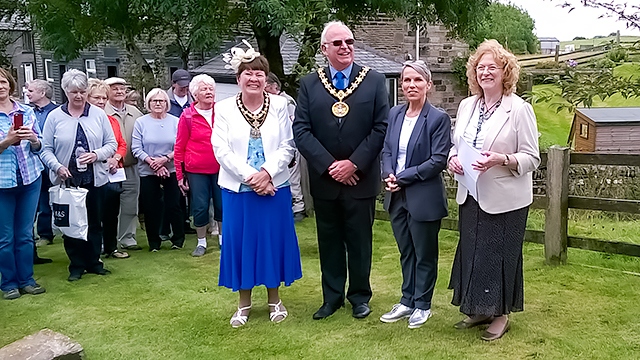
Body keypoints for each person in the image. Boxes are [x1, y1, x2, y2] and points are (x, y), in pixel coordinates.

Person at [293, 20, 389, 320]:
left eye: (349, 41)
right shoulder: (310, 83)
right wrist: (330, 165)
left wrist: (353, 164)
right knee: (330, 241)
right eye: (337, 43)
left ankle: (360, 297)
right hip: (325, 180)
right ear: (325, 49)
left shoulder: (374, 80)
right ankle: (331, 298)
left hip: (360, 178)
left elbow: (380, 127)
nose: (345, 47)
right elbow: (302, 130)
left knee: (360, 242)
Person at [447, 39, 540, 341]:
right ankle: (481, 309)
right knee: (474, 254)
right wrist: (452, 160)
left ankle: (501, 315)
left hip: (506, 199)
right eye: (480, 67)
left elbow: (532, 157)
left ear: (505, 72)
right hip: (470, 193)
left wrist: (504, 159)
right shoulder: (466, 105)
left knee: (499, 257)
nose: (485, 72)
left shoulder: (519, 109)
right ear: (474, 73)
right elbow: (455, 146)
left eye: (492, 67)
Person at [212, 45, 302, 328]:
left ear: (266, 78)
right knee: (242, 245)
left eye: (259, 73)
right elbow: (221, 150)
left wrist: (267, 173)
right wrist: (253, 177)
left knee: (272, 243)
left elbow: (288, 145)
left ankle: (275, 299)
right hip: (239, 190)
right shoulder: (223, 108)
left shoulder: (279, 105)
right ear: (239, 78)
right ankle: (244, 303)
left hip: (275, 187)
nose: (254, 78)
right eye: (248, 73)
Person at [379, 61, 451, 329]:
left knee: (424, 253)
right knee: (406, 251)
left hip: (423, 197)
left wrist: (402, 177)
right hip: (396, 196)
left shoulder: (438, 119)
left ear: (428, 85)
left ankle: (423, 304)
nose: (411, 85)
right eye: (407, 80)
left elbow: (437, 160)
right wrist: (388, 175)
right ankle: (407, 299)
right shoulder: (395, 114)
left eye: (417, 81)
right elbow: (387, 150)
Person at [40, 69, 117, 282]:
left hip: (94, 178)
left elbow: (111, 144)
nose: (79, 96)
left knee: (94, 221)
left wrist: (96, 155)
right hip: (67, 180)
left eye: (82, 91)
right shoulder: (54, 117)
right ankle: (76, 265)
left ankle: (94, 262)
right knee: (71, 224)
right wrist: (57, 167)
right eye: (74, 92)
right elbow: (45, 149)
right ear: (65, 91)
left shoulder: (98, 114)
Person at [0, 68, 46, 299]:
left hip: (29, 179)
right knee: (5, 237)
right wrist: (7, 141)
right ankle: (8, 283)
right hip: (2, 184)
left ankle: (27, 279)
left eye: (2, 82)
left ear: (10, 84)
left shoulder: (26, 111)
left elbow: (40, 147)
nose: (0, 86)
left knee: (26, 233)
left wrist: (34, 139)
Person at [174, 74, 222, 257]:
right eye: (204, 89)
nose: (209, 92)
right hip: (196, 170)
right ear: (195, 94)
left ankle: (222, 239)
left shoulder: (223, 112)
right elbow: (179, 147)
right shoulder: (187, 116)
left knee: (222, 204)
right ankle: (201, 242)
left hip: (221, 167)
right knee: (200, 206)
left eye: (211, 88)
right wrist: (180, 175)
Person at [131, 88, 183, 251]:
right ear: (148, 103)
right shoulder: (141, 122)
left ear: (167, 103)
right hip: (148, 170)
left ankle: (178, 240)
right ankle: (154, 243)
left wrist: (165, 159)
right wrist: (153, 163)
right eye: (154, 101)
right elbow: (136, 148)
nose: (158, 103)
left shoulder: (176, 121)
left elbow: (181, 146)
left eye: (161, 100)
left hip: (171, 168)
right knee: (151, 207)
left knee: (174, 205)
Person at [86, 79, 129, 259]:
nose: (102, 101)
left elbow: (122, 144)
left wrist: (116, 157)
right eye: (97, 98)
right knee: (93, 214)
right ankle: (93, 251)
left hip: (113, 173)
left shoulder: (112, 120)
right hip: (92, 173)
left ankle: (111, 247)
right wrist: (104, 157)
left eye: (104, 98)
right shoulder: (84, 120)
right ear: (88, 98)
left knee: (111, 213)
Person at [104, 77, 143, 251]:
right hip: (109, 167)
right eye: (115, 89)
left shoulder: (135, 112)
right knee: (108, 205)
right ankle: (107, 240)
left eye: (122, 89)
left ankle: (128, 237)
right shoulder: (101, 111)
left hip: (131, 166)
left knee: (130, 204)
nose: (120, 92)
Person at [265, 72, 306, 222]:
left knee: (293, 177)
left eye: (267, 86)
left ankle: (298, 207)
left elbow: (293, 124)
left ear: (273, 86)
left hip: (291, 145)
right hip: (276, 145)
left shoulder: (286, 102)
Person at [26, 80, 58, 251]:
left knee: (47, 200)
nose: (28, 93)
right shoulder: (27, 112)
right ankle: (29, 235)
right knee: (34, 201)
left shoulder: (57, 111)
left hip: (51, 162)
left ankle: (46, 234)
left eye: (31, 90)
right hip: (32, 162)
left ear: (43, 92)